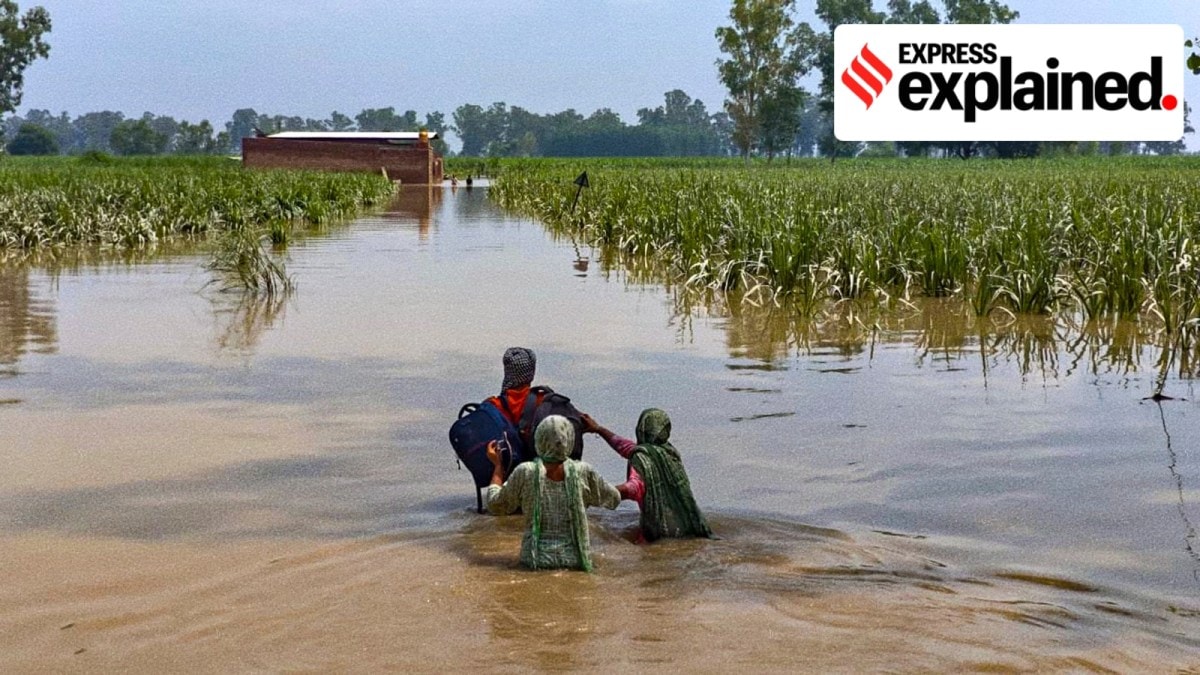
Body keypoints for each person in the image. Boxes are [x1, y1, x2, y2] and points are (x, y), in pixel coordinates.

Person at [485, 415, 621, 571]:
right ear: (569, 440)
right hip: (576, 562)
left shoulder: (525, 472)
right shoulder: (583, 472)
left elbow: (495, 505)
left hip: (534, 562)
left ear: (539, 439)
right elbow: (614, 498)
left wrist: (497, 466)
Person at [581, 409, 712, 542]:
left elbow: (633, 488)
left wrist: (593, 494)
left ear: (640, 430)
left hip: (660, 536)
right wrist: (598, 429)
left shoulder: (641, 460)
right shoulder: (669, 453)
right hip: (688, 527)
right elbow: (624, 446)